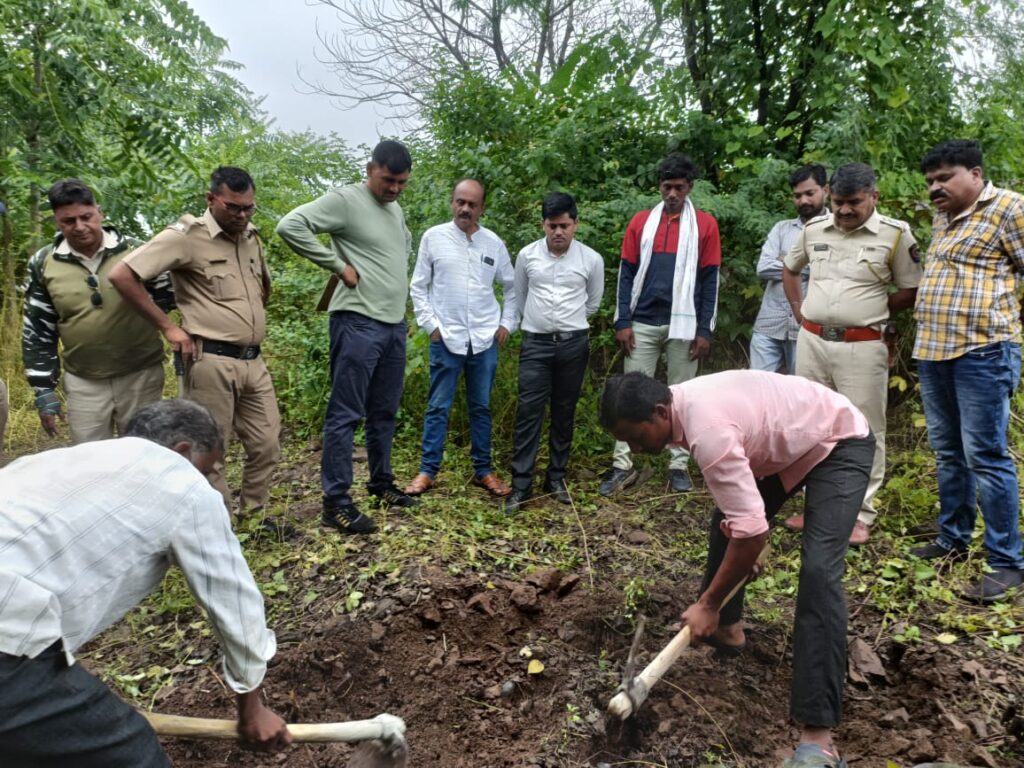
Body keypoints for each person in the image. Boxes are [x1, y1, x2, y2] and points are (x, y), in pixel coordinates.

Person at [600, 370, 873, 768]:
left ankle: (819, 736)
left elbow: (750, 532)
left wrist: (708, 601)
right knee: (726, 524)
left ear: (660, 412)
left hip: (839, 439)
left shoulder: (707, 431)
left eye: (636, 437)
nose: (636, 450)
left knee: (818, 573)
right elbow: (745, 526)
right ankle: (728, 630)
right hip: (792, 442)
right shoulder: (686, 409)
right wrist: (750, 538)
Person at [0, 399, 290, 767]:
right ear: (183, 450)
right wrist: (252, 709)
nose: (207, 479)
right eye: (208, 469)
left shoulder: (64, 460)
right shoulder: (181, 482)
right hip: (7, 638)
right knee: (135, 755)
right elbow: (234, 601)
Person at [110, 167, 283, 530]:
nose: (242, 215)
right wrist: (169, 327)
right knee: (211, 450)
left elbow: (261, 288)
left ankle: (254, 518)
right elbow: (122, 275)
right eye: (233, 207)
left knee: (266, 443)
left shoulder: (251, 236)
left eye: (249, 208)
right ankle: (217, 528)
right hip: (211, 361)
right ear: (210, 199)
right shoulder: (185, 237)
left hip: (253, 361)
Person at [276, 140, 417, 535]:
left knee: (384, 411)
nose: (394, 189)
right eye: (389, 180)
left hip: (391, 326)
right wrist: (338, 265)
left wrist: (399, 312)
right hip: (357, 323)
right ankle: (335, 502)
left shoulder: (395, 208)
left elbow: (395, 256)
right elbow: (290, 225)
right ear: (370, 168)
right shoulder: (345, 201)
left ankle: (381, 483)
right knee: (346, 414)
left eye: (402, 183)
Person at [783, 163, 921, 546]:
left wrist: (871, 311)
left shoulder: (895, 235)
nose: (844, 210)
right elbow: (790, 268)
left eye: (854, 203)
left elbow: (910, 289)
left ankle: (860, 514)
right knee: (810, 424)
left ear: (873, 197)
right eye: (839, 202)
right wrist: (799, 309)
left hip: (862, 346)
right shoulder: (814, 229)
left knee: (864, 428)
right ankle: (815, 507)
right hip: (812, 342)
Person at [911, 139, 1024, 602]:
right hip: (933, 351)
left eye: (945, 178)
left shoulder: (1010, 209)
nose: (936, 188)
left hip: (983, 352)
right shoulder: (943, 216)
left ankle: (1007, 563)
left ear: (975, 174)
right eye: (931, 181)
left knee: (986, 455)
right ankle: (953, 539)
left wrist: (1008, 326)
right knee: (948, 451)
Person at [600, 153, 721, 497]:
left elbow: (710, 280)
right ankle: (623, 464)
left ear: (690, 188)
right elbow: (626, 273)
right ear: (659, 187)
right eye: (667, 187)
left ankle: (678, 465)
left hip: (685, 325)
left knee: (684, 396)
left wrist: (705, 330)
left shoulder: (706, 226)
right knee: (628, 394)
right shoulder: (641, 222)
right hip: (642, 321)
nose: (672, 194)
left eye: (679, 188)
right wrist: (622, 320)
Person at [22, 180, 173, 443]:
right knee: (91, 465)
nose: (80, 227)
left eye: (86, 217)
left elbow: (168, 299)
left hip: (141, 375)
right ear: (57, 221)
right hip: (84, 381)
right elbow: (38, 329)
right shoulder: (43, 262)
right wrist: (43, 389)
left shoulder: (136, 251)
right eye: (68, 221)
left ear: (99, 212)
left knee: (145, 455)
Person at [405, 179, 516, 498]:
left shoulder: (493, 243)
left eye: (472, 204)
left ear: (482, 208)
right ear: (452, 202)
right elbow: (418, 286)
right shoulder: (434, 238)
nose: (465, 208)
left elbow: (511, 287)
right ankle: (427, 471)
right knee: (438, 406)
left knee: (481, 406)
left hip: (484, 339)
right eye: (460, 202)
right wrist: (431, 326)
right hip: (447, 337)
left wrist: (507, 322)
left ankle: (483, 471)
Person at [505, 192, 604, 515]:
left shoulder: (591, 259)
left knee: (564, 411)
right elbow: (520, 296)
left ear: (575, 224)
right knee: (529, 411)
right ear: (543, 225)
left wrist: (569, 324)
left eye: (564, 225)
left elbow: (593, 302)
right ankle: (521, 484)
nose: (558, 232)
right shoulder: (527, 256)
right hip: (536, 343)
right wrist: (540, 323)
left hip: (573, 343)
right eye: (552, 226)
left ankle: (556, 477)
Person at [750, 165, 828, 374]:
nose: (803, 201)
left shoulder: (835, 230)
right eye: (797, 195)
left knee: (800, 391)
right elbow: (763, 267)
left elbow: (830, 270)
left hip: (807, 326)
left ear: (826, 190)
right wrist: (806, 265)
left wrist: (788, 262)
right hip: (769, 323)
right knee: (758, 386)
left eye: (810, 193)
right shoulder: (781, 229)